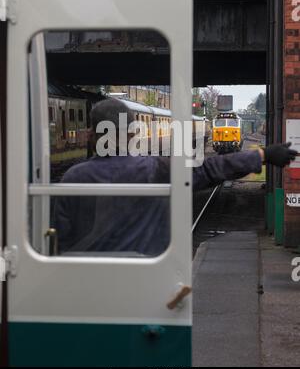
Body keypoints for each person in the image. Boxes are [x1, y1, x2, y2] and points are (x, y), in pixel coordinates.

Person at [53, 98, 297, 256]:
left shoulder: (73, 178)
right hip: (146, 283)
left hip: (85, 287)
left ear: (91, 136)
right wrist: (262, 155)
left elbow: (61, 242)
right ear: (132, 134)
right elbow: (209, 169)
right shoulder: (154, 169)